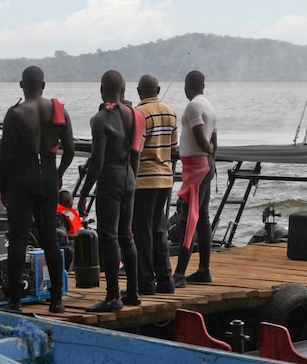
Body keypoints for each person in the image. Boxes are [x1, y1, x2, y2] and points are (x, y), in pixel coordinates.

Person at [0, 66, 74, 313]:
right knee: (50, 238)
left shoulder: (15, 113)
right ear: (44, 85)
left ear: (22, 85)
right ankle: (56, 301)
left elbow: (6, 157)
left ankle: (15, 301)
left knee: (18, 240)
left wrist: (3, 187)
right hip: (49, 178)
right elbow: (70, 150)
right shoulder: (59, 111)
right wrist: (59, 174)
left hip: (22, 179)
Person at [78, 70, 144, 312]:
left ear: (101, 88)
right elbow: (136, 153)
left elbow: (97, 161)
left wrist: (84, 192)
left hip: (110, 179)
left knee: (109, 237)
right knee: (127, 235)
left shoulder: (100, 119)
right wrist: (132, 182)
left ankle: (113, 296)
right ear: (124, 88)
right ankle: (134, 293)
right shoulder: (135, 115)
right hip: (129, 178)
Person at [134, 74, 178, 295]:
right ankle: (166, 281)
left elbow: (136, 149)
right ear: (158, 89)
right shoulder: (170, 112)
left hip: (144, 179)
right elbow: (174, 146)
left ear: (138, 91)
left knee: (141, 231)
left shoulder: (139, 113)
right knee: (159, 229)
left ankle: (145, 283)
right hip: (165, 178)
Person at [173, 70, 217, 288]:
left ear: (186, 86)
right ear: (204, 86)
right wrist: (210, 156)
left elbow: (201, 137)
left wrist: (205, 153)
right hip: (204, 166)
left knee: (188, 221)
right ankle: (203, 270)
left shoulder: (193, 107)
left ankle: (179, 274)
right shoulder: (208, 105)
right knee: (203, 219)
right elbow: (214, 136)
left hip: (196, 169)